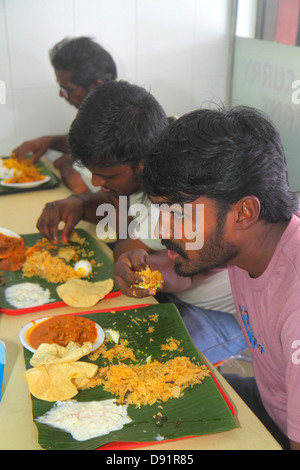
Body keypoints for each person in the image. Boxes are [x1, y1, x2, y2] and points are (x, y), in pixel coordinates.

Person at [36, 79, 247, 365]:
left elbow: (138, 254)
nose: (97, 182)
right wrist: (81, 203)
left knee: (139, 363)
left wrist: (130, 254)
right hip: (181, 292)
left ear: (144, 165)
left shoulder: (184, 190)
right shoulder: (158, 145)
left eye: (108, 176)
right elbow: (123, 206)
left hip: (234, 316)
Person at [128, 105, 300, 450]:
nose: (162, 228)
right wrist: (139, 268)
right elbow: (183, 276)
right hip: (268, 401)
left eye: (177, 213)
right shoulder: (255, 239)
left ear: (245, 212)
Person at [12, 36, 117, 193]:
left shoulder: (122, 123)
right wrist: (49, 141)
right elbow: (86, 142)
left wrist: (65, 162)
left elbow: (81, 185)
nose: (62, 95)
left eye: (68, 89)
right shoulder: (101, 110)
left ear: (95, 86)